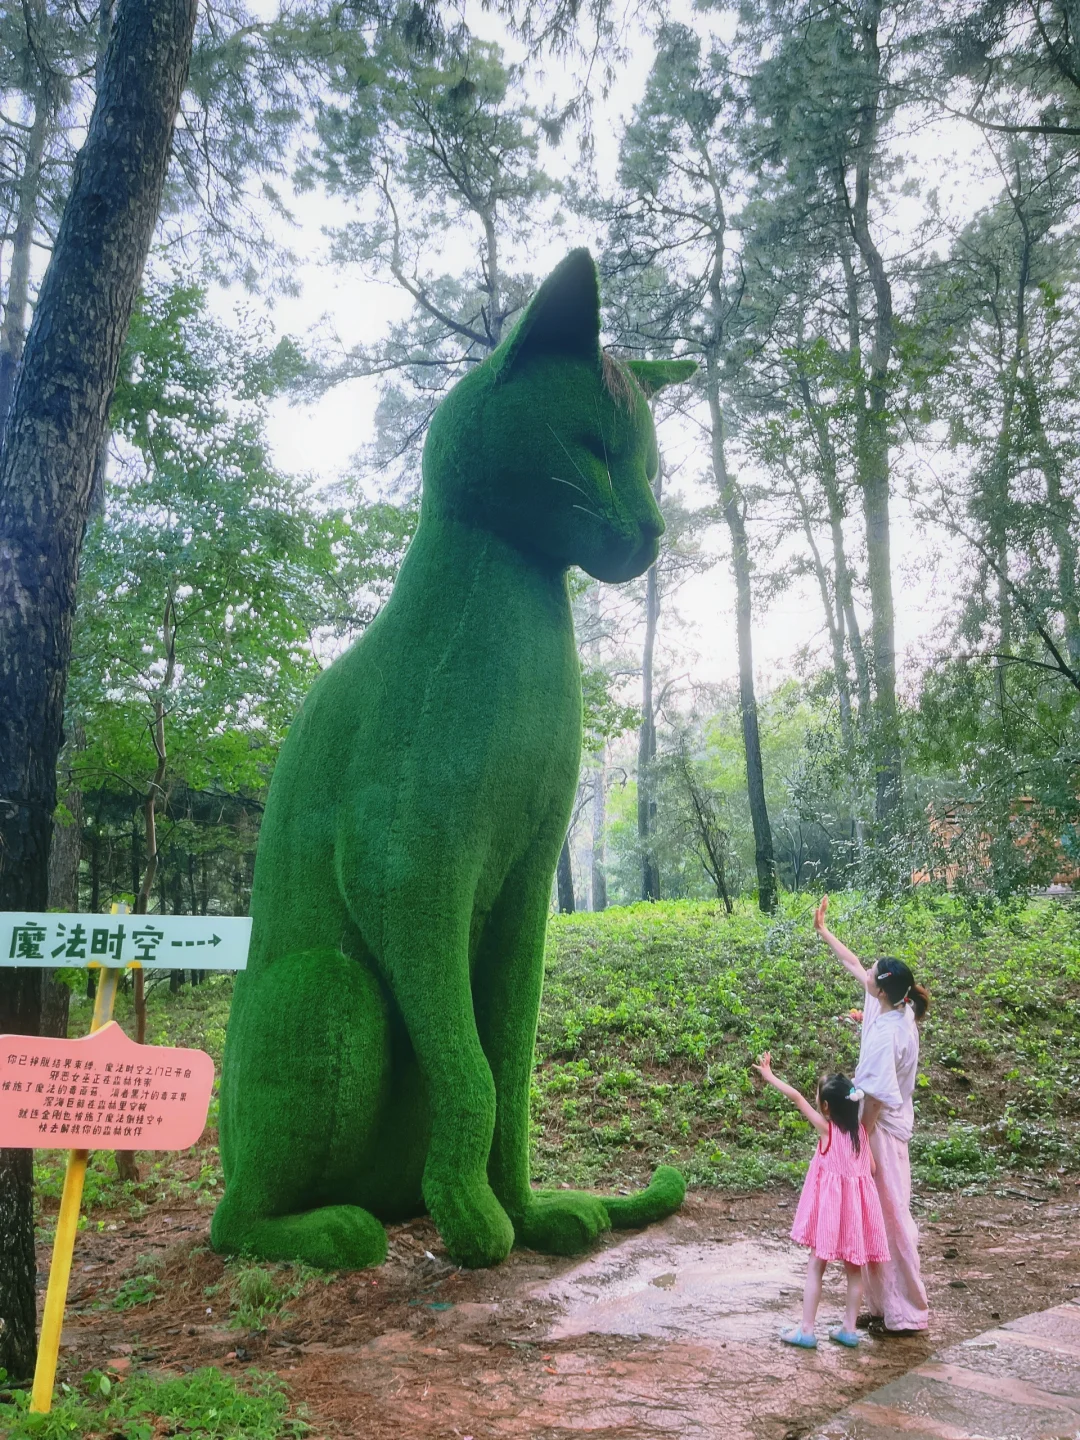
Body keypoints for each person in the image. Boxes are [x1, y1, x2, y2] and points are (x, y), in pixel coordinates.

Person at [814, 894, 930, 1334]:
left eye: (872, 976)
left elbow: (877, 1099)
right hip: (880, 1122)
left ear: (881, 989)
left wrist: (859, 1146)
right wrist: (824, 931)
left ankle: (908, 1312)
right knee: (878, 1213)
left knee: (893, 1216)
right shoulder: (892, 1010)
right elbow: (854, 963)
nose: (864, 974)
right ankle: (886, 1306)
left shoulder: (888, 1034)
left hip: (880, 1128)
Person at [753, 1052, 889, 1349]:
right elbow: (873, 1169)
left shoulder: (827, 1131)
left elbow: (797, 1098)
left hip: (830, 1215)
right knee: (855, 1272)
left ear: (826, 1107)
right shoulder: (861, 1136)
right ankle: (849, 1330)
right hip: (854, 1217)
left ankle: (807, 1330)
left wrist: (769, 1076)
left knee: (816, 1266)